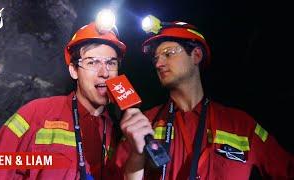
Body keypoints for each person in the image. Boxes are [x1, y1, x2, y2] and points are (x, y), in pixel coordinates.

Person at [119, 21, 294, 179]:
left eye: (168, 53)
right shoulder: (144, 123)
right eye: (156, 58)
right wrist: (136, 157)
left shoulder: (242, 125)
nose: (158, 64)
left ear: (196, 55)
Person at [0, 22, 126, 179]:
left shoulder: (118, 131)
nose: (104, 73)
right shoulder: (36, 114)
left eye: (111, 63)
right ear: (74, 70)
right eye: (92, 62)